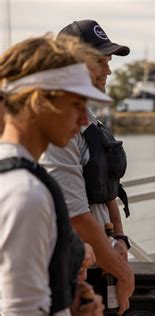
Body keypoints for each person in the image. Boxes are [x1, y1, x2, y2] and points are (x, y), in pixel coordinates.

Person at [0, 35, 105, 315]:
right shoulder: (26, 193)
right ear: (39, 100)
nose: (84, 119)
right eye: (76, 103)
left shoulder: (16, 180)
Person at [39, 20, 134, 314]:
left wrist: (119, 238)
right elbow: (76, 214)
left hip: (99, 255)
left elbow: (107, 186)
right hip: (72, 264)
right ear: (72, 63)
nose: (108, 71)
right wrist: (123, 272)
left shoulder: (88, 117)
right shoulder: (58, 126)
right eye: (100, 62)